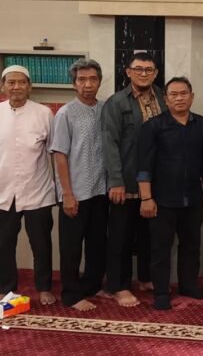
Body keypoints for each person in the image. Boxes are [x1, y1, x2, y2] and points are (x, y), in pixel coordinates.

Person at [138, 77, 203, 310]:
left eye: (183, 93)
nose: (179, 98)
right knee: (161, 248)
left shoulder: (201, 124)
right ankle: (161, 292)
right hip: (162, 199)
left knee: (191, 245)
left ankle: (188, 285)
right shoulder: (153, 126)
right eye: (174, 94)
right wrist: (146, 198)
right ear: (166, 99)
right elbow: (144, 166)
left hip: (193, 197)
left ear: (192, 97)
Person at [102, 52, 164, 307]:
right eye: (138, 69)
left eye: (148, 70)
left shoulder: (164, 98)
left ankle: (145, 278)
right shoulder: (116, 102)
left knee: (149, 235)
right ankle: (118, 286)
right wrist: (115, 181)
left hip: (155, 182)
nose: (143, 74)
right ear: (128, 72)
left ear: (155, 73)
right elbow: (110, 143)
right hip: (126, 181)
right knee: (121, 237)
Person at [51, 59, 110, 311]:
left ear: (99, 81)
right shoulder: (66, 113)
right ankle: (71, 295)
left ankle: (92, 286)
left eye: (92, 79)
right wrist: (67, 194)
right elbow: (59, 154)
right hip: (76, 191)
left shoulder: (106, 109)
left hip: (101, 189)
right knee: (71, 247)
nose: (88, 84)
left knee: (98, 243)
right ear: (74, 83)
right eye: (82, 80)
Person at [0, 65, 56, 305]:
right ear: (3, 86)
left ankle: (44, 288)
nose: (16, 87)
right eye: (11, 82)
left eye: (22, 82)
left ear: (29, 86)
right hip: (4, 192)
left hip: (38, 191)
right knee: (4, 245)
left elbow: (54, 152)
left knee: (41, 244)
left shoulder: (44, 113)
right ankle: (6, 290)